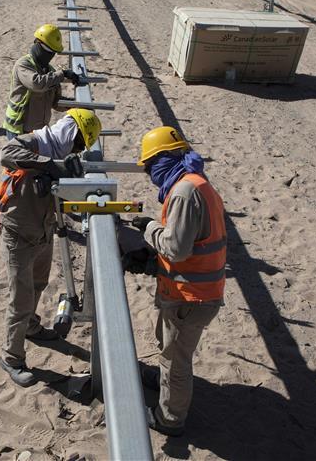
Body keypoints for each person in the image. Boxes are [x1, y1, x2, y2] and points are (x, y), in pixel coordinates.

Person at [124, 126, 226, 437]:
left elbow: (177, 249)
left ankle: (170, 418)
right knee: (166, 346)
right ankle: (164, 383)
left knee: (176, 360)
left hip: (191, 296)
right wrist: (154, 262)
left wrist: (150, 229)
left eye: (151, 165)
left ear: (165, 159)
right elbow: (192, 244)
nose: (150, 173)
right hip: (191, 291)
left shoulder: (184, 192)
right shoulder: (195, 182)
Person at [0, 109, 102, 386]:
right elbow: (7, 152)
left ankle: (31, 327)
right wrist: (49, 164)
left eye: (79, 147)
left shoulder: (60, 152)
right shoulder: (35, 141)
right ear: (69, 130)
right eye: (76, 142)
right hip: (18, 231)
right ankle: (11, 357)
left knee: (38, 283)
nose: (75, 149)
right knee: (21, 299)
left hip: (42, 229)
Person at [2, 24, 82, 139]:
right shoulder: (23, 65)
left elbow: (55, 102)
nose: (50, 55)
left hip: (38, 132)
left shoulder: (50, 71)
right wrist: (63, 74)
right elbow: (37, 84)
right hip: (18, 129)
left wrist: (75, 104)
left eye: (53, 52)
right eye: (48, 51)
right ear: (38, 43)